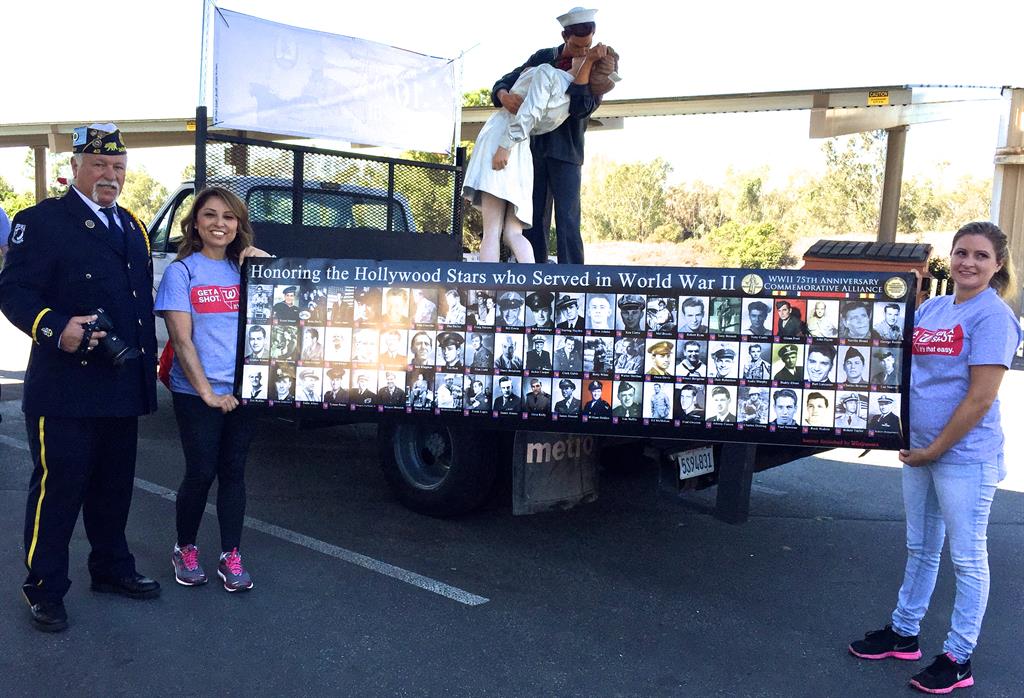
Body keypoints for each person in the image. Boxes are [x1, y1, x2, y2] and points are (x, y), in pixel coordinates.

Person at [0, 123, 166, 631]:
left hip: (120, 384)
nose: (109, 174)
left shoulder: (133, 227)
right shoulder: (43, 221)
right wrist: (54, 328)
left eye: (117, 167)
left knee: (114, 489)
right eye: (98, 165)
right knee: (59, 490)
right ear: (74, 168)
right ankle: (44, 587)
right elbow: (13, 291)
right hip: (66, 387)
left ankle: (111, 568)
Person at [849, 223, 1023, 695]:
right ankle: (904, 633)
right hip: (920, 448)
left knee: (967, 558)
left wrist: (934, 450)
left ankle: (958, 657)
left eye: (981, 256)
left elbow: (979, 399)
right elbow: (901, 372)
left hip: (964, 456)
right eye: (962, 252)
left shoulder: (994, 318)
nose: (969, 262)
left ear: (998, 264)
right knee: (921, 547)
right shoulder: (932, 307)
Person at [155, 186, 271, 594]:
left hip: (244, 392)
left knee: (234, 473)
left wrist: (266, 266)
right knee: (201, 472)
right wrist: (207, 393)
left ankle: (230, 554)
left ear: (238, 224)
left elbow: (285, 313)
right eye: (210, 215)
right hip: (197, 393)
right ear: (195, 223)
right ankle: (185, 548)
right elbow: (182, 341)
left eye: (228, 217)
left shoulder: (247, 269)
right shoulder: (181, 272)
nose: (219, 224)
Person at [491, 7, 606, 264]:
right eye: (577, 46)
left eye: (587, 45)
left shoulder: (598, 63)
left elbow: (581, 109)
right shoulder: (543, 58)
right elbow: (506, 80)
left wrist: (585, 65)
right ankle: (535, 281)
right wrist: (504, 96)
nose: (582, 51)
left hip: (568, 151)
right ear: (565, 36)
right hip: (534, 150)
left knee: (567, 218)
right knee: (532, 216)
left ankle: (573, 282)